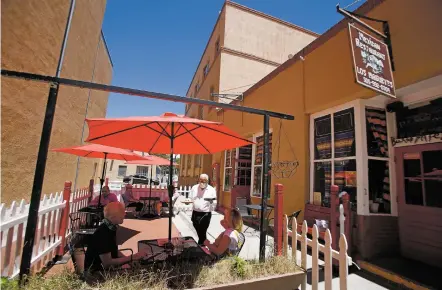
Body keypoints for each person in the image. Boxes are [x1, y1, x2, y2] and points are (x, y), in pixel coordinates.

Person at [84, 202, 147, 273]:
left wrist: (129, 259)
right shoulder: (103, 233)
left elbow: (113, 250)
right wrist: (132, 257)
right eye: (122, 212)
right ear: (114, 216)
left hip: (103, 271)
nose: (125, 214)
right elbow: (107, 263)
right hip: (96, 275)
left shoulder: (110, 228)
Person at [190, 173, 217, 245]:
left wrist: (211, 204)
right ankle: (203, 242)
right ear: (198, 180)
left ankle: (201, 244)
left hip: (205, 213)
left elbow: (214, 201)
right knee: (196, 226)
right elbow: (191, 198)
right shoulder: (194, 188)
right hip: (195, 212)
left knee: (203, 229)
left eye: (204, 180)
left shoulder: (211, 189)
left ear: (207, 181)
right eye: (201, 180)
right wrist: (189, 202)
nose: (202, 181)